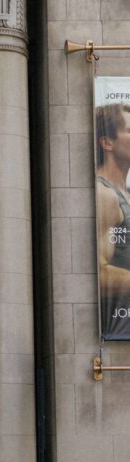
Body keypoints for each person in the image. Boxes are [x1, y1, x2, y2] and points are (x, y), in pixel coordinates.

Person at [95, 103, 130, 339]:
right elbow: (98, 272)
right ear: (108, 142)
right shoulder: (104, 194)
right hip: (116, 327)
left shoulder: (124, 192)